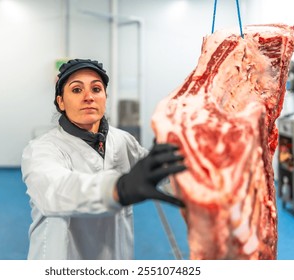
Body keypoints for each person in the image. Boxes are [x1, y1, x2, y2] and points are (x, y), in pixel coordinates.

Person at [21, 58, 186, 260]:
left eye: (96, 89)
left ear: (105, 97)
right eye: (76, 90)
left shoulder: (123, 141)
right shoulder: (41, 150)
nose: (88, 97)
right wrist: (119, 189)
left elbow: (166, 177)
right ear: (60, 102)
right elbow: (55, 191)